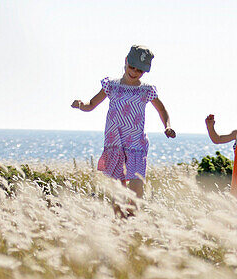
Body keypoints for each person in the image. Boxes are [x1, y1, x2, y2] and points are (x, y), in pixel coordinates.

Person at [72, 45, 175, 203]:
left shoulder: (146, 90)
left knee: (135, 192)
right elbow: (91, 104)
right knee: (118, 195)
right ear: (126, 61)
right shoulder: (111, 86)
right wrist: (80, 105)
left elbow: (162, 110)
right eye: (131, 67)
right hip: (115, 144)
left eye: (139, 70)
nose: (134, 72)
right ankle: (120, 225)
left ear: (144, 71)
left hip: (136, 145)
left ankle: (134, 222)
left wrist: (167, 126)